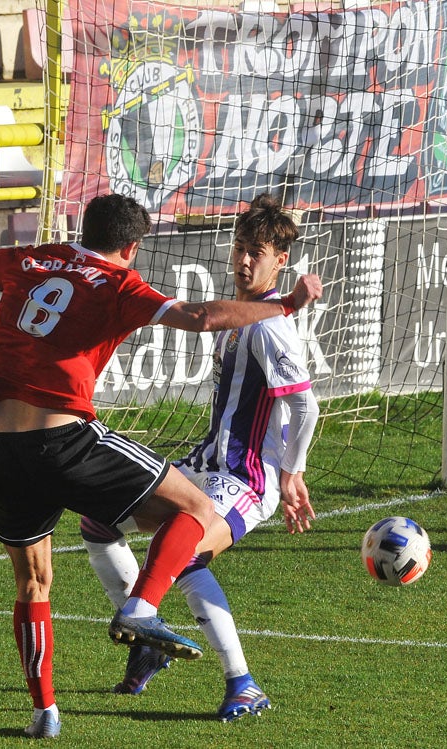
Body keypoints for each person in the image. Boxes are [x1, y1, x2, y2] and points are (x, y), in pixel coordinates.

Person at [0, 193, 322, 739]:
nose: (243, 260)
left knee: (33, 585)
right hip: (63, 439)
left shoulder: (29, 257)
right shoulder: (117, 283)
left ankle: (46, 712)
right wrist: (289, 303)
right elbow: (198, 316)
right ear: (133, 247)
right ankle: (146, 617)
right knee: (192, 511)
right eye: (240, 248)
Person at [80, 194, 318, 722]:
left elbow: (305, 406)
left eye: (256, 252)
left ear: (280, 260)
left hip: (246, 478)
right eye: (239, 248)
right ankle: (144, 639)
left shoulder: (271, 327)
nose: (243, 260)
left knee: (184, 552)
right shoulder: (242, 314)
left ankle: (243, 682)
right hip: (205, 462)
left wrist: (292, 472)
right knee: (98, 520)